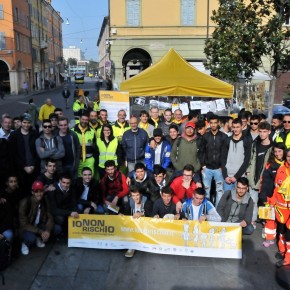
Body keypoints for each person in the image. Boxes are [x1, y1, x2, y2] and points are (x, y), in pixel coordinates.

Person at [259, 142, 286, 247]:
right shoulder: (270, 164)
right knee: (270, 218)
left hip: (284, 198)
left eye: (280, 151)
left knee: (283, 220)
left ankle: (282, 238)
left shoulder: (287, 163)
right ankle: (269, 238)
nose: (277, 153)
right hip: (271, 196)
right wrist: (263, 196)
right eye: (275, 151)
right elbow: (264, 181)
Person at [246, 122, 273, 223]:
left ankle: (265, 224)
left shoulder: (272, 147)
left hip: (266, 180)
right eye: (260, 131)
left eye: (264, 132)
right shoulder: (255, 144)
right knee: (253, 202)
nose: (262, 134)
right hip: (254, 178)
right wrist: (248, 172)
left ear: (269, 132)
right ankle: (252, 222)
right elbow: (250, 160)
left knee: (265, 203)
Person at [19, 181, 55, 255]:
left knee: (55, 229)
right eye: (36, 191)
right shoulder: (25, 202)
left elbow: (50, 217)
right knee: (31, 239)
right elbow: (24, 224)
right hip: (26, 227)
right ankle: (25, 243)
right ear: (32, 192)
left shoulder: (45, 200)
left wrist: (47, 231)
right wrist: (41, 232)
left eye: (41, 191)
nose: (39, 194)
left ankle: (38, 237)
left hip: (38, 224)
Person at [268, 148, 290, 267]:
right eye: (288, 156)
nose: (289, 159)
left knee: (289, 233)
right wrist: (272, 202)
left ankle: (288, 258)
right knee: (281, 231)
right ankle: (282, 250)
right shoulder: (281, 169)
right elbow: (276, 188)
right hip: (281, 208)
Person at [199, 114, 227, 205]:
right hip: (207, 169)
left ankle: (217, 212)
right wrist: (203, 165)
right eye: (211, 123)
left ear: (218, 123)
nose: (213, 125)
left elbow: (225, 153)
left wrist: (223, 166)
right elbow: (201, 151)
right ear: (209, 124)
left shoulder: (224, 137)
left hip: (219, 169)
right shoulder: (205, 136)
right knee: (206, 191)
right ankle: (206, 210)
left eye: (215, 123)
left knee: (219, 191)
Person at [9, 114, 39, 197]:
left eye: (28, 122)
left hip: (33, 169)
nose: (26, 125)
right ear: (21, 122)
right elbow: (13, 154)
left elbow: (37, 152)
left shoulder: (34, 134)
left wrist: (33, 165)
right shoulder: (14, 135)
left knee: (34, 193)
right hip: (20, 171)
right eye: (24, 122)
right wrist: (24, 166)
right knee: (22, 194)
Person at [221, 118, 252, 192]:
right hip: (228, 176)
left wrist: (236, 176)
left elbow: (247, 160)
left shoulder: (246, 140)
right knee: (227, 199)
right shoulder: (227, 140)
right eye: (234, 127)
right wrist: (225, 176)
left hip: (240, 176)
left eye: (238, 127)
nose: (236, 129)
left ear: (242, 127)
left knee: (240, 200)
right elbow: (223, 158)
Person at [122, 185, 153, 258]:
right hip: (133, 228)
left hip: (145, 227)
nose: (135, 198)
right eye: (133, 196)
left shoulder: (147, 202)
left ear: (141, 195)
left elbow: (151, 215)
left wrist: (142, 214)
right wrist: (121, 214)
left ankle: (132, 246)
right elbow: (126, 213)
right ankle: (131, 246)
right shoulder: (130, 202)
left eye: (137, 195)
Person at [72, 112, 96, 176]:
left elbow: (95, 145)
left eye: (86, 120)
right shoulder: (73, 131)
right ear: (80, 119)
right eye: (83, 119)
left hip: (89, 160)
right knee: (79, 179)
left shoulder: (92, 131)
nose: (84, 121)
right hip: (78, 160)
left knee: (90, 178)